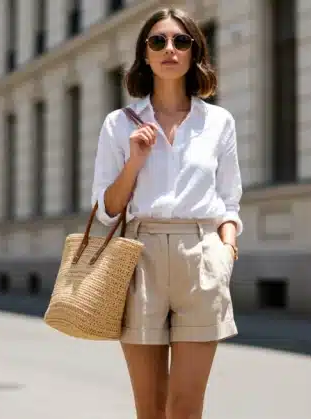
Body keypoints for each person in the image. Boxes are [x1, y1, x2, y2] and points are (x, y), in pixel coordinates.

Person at [90, 7, 242, 419]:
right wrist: (135, 161)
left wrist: (225, 252)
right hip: (140, 258)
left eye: (180, 41)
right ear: (145, 54)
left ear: (195, 52)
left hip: (202, 257)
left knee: (187, 408)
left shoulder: (218, 122)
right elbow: (106, 210)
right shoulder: (119, 124)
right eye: (158, 41)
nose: (169, 49)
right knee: (150, 410)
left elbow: (229, 201)